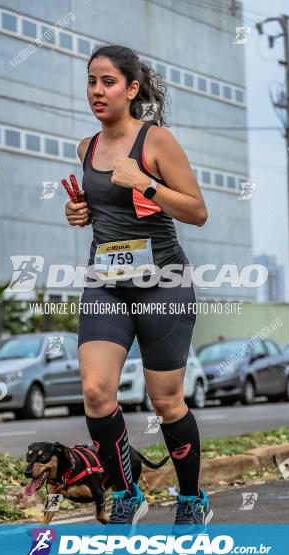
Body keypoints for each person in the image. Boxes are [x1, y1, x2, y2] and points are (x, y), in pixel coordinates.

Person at [65, 45, 210, 528]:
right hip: (106, 282)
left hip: (163, 283)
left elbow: (196, 211)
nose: (97, 91)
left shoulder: (156, 141)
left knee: (166, 400)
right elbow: (102, 214)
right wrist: (78, 213)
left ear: (131, 89)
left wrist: (144, 183)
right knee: (95, 392)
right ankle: (127, 491)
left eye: (107, 82)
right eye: (91, 81)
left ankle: (191, 499)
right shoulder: (86, 149)